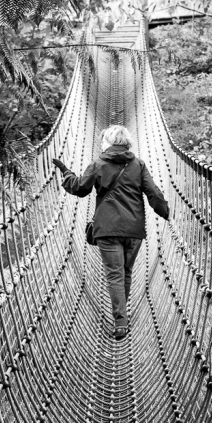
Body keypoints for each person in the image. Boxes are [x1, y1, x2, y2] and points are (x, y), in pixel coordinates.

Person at [53, 126, 170, 340]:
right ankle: (122, 319)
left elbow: (80, 189)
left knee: (115, 274)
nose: (100, 145)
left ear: (109, 141)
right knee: (124, 272)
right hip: (134, 230)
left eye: (102, 141)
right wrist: (165, 213)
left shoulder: (98, 164)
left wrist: (67, 173)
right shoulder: (139, 165)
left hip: (107, 229)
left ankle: (120, 323)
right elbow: (153, 192)